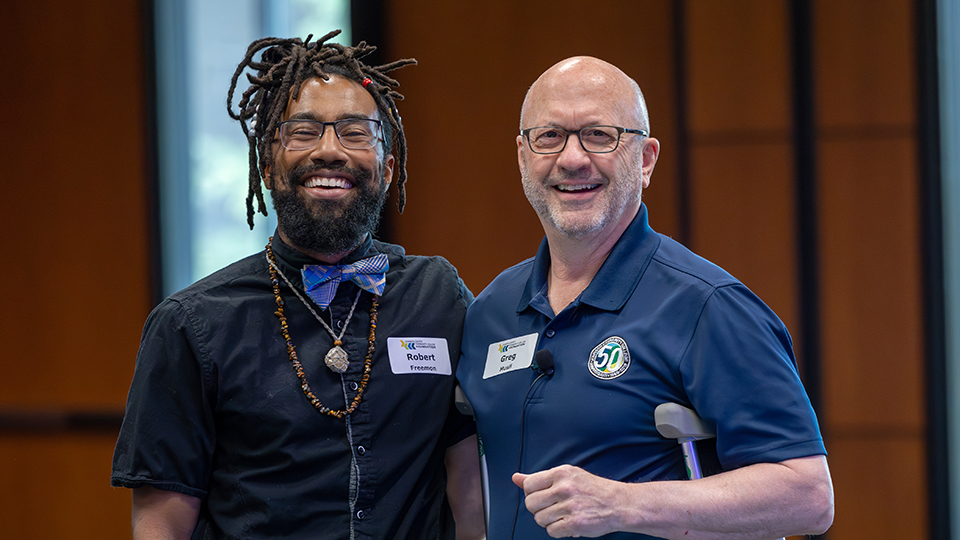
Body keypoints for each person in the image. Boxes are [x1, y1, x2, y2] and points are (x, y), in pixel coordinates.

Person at [112, 31, 484, 540]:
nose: (330, 151)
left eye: (356, 132)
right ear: (267, 164)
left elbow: (468, 487)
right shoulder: (190, 325)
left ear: (388, 167)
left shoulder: (437, 297)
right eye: (303, 131)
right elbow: (162, 523)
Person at [455, 56, 834, 539]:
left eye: (599, 135)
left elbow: (807, 495)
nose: (572, 158)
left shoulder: (708, 306)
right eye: (549, 136)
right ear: (523, 156)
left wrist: (624, 503)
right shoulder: (491, 310)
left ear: (646, 159)